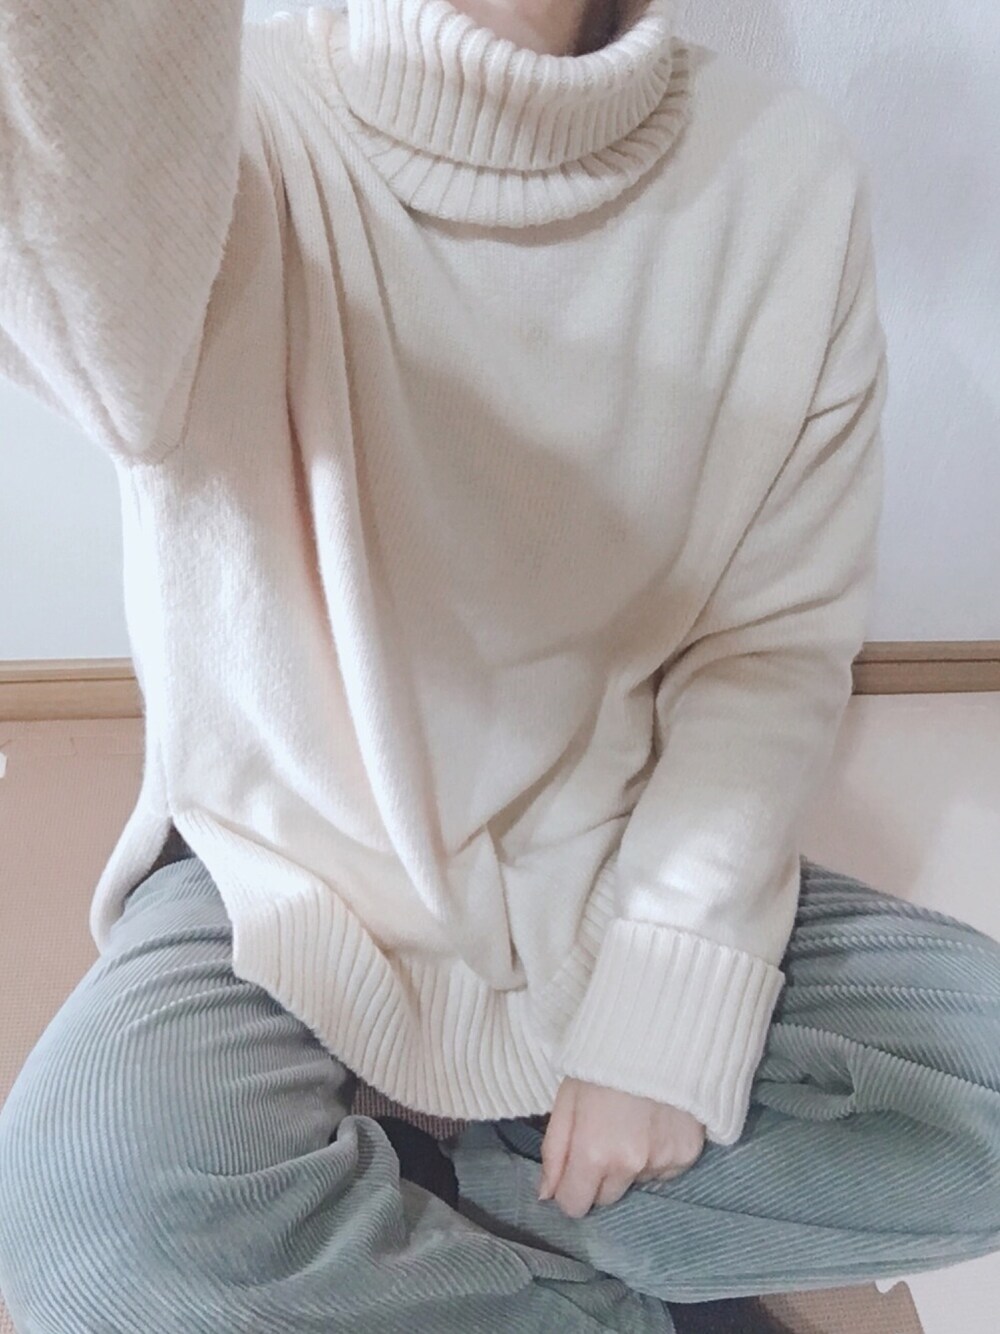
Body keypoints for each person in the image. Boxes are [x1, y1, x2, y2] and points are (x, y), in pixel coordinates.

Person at [0, 1, 998, 1330]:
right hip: (280, 879)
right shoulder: (217, 128)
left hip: (606, 867)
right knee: (83, 1223)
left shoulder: (782, 176)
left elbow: (765, 652)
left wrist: (667, 1000)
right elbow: (84, 306)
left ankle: (414, 1191)